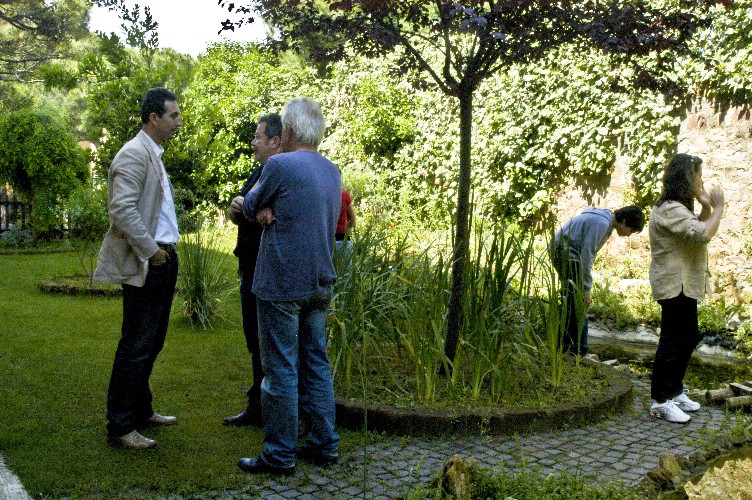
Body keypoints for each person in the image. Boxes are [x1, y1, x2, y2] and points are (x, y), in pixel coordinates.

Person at [231, 97, 341, 476]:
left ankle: (279, 454)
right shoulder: (332, 170)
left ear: (289, 131)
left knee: (279, 369)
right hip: (320, 280)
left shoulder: (279, 165)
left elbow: (250, 204)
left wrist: (250, 205)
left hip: (282, 283)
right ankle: (325, 444)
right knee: (316, 364)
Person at [93, 87, 183, 449]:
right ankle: (120, 425)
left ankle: (142, 410)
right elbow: (122, 211)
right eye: (173, 115)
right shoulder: (133, 154)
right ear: (153, 118)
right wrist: (152, 252)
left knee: (153, 340)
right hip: (150, 260)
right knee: (137, 343)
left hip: (164, 257)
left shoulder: (153, 154)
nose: (179, 121)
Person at [648, 154, 724, 423]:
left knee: (689, 336)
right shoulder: (669, 208)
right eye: (698, 175)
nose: (701, 180)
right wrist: (718, 209)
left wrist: (705, 208)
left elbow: (695, 229)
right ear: (686, 178)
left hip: (683, 283)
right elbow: (703, 234)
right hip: (673, 283)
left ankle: (675, 390)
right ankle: (660, 400)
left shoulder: (676, 209)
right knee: (672, 341)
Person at [224, 113, 282, 427]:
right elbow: (240, 211)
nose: (253, 141)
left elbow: (275, 213)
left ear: (275, 141)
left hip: (267, 271)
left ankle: (272, 411)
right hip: (250, 267)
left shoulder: (281, 174)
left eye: (258, 136)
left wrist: (248, 205)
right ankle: (257, 406)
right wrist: (238, 205)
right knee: (254, 341)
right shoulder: (258, 172)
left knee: (267, 343)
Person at [551, 205, 645, 356]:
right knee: (580, 303)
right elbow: (586, 257)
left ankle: (563, 347)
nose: (629, 235)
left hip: (562, 251)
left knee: (570, 303)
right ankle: (580, 351)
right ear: (625, 221)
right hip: (567, 253)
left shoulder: (603, 219)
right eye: (631, 231)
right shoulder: (601, 223)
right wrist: (586, 289)